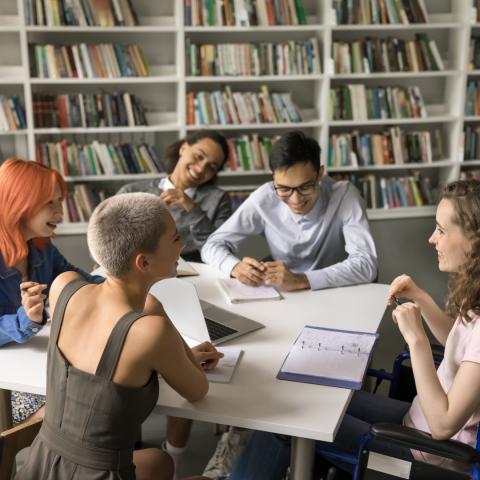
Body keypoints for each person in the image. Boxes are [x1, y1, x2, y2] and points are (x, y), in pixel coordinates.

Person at [228, 179, 480, 479]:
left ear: (474, 240)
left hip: (424, 460)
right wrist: (422, 298)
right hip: (415, 423)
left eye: (441, 230)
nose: (431, 239)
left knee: (287, 424)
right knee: (313, 393)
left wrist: (417, 341)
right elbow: (459, 346)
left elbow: (443, 424)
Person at [17, 192, 224, 480]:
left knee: (159, 461)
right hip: (98, 474)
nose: (183, 244)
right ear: (143, 263)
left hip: (42, 464)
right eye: (176, 238)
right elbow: (198, 391)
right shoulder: (150, 330)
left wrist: (182, 353)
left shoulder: (63, 287)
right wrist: (157, 310)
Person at [201, 130, 377, 292]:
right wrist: (234, 267)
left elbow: (367, 264)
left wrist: (302, 279)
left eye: (305, 187)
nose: (295, 199)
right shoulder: (264, 198)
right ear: (273, 180)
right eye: (284, 189)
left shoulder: (345, 195)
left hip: (336, 291)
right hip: (285, 295)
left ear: (320, 175)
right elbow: (211, 246)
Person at [0, 158, 103, 424]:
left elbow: (80, 280)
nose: (61, 212)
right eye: (51, 203)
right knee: (74, 409)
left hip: (33, 367)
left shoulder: (42, 249)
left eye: (60, 201)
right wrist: (26, 320)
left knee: (100, 390)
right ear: (21, 203)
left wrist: (120, 283)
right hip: (6, 385)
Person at [118, 130, 232, 262]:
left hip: (196, 274)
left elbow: (220, 252)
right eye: (199, 157)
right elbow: (107, 241)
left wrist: (193, 209)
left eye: (212, 167)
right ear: (183, 149)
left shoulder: (218, 199)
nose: (201, 169)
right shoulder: (131, 192)